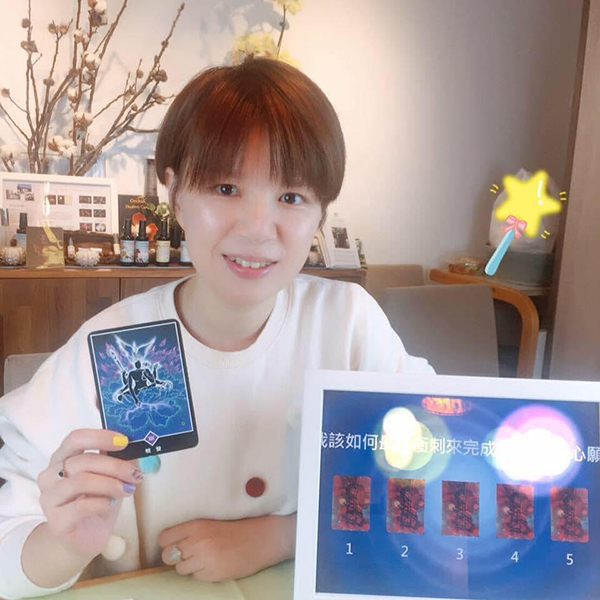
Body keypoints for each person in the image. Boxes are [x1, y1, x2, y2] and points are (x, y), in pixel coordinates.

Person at [0, 57, 433, 599]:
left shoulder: (347, 324)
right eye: (226, 188)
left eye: (291, 197)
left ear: (321, 215)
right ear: (175, 193)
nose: (257, 229)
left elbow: (431, 476)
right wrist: (61, 545)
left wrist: (281, 536)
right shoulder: (110, 348)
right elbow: (10, 544)